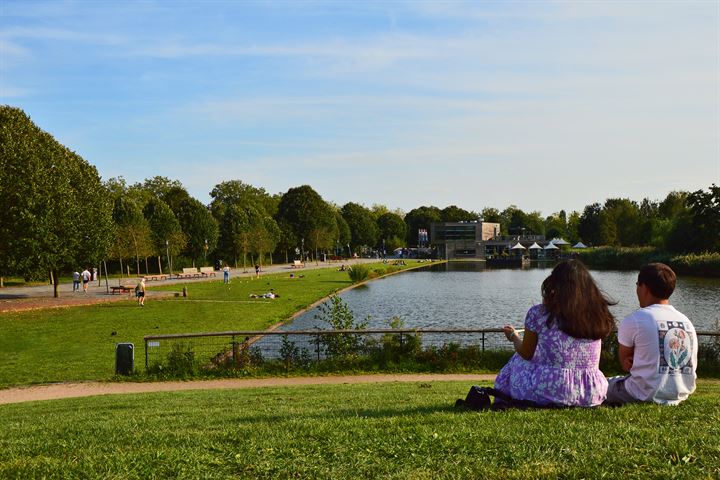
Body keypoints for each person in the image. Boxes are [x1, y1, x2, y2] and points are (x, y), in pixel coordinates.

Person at [493, 260, 616, 408]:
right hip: (591, 391)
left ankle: (503, 396)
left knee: (516, 359)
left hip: (549, 390)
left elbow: (526, 353)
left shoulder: (538, 313)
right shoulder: (598, 314)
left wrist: (513, 337)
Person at [605, 263, 697, 406]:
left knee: (600, 384)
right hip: (679, 393)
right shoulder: (686, 322)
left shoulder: (634, 320)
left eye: (637, 284)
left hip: (641, 393)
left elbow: (625, 362)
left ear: (644, 287)